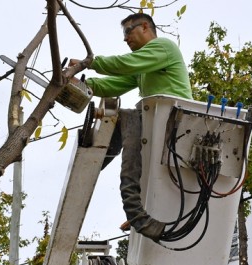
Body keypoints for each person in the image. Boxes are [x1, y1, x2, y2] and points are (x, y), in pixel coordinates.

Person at [69, 13, 192, 169]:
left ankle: (92, 166)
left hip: (174, 117)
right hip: (157, 119)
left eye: (128, 31)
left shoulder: (164, 46)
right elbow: (113, 85)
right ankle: (90, 166)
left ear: (145, 27)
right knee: (124, 121)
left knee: (125, 117)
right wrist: (80, 84)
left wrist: (89, 62)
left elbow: (124, 64)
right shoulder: (142, 68)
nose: (125, 39)